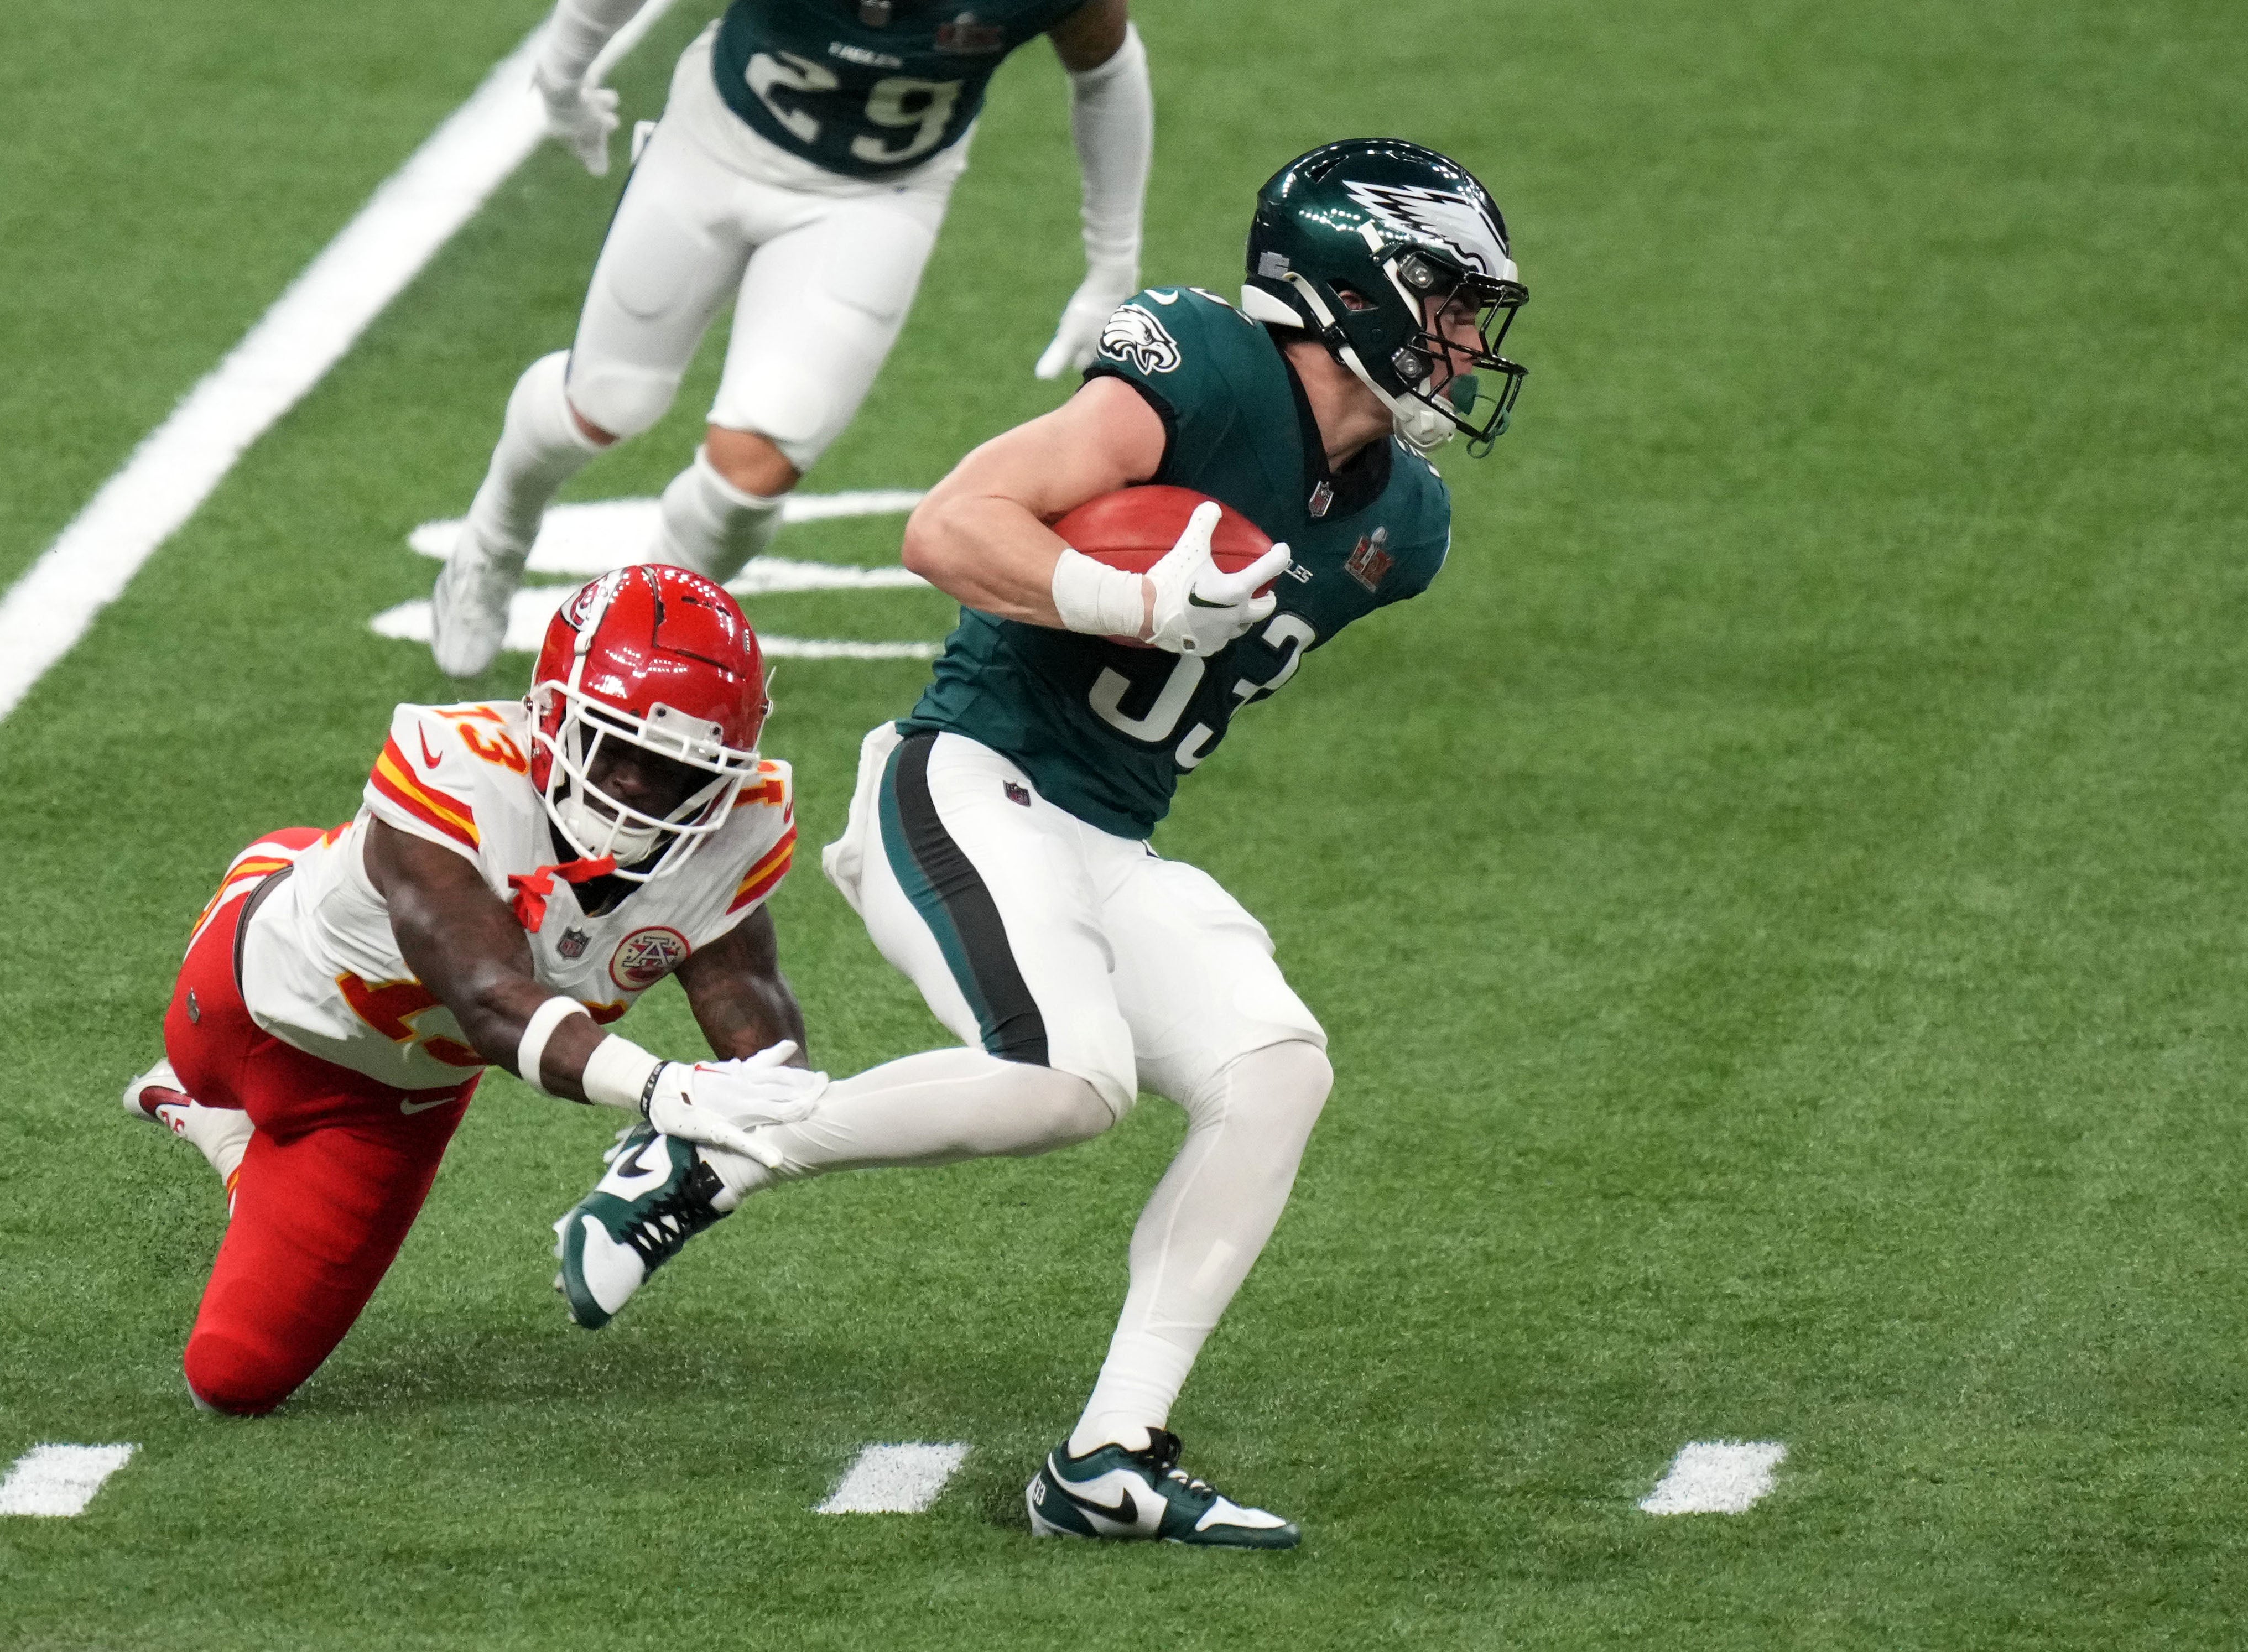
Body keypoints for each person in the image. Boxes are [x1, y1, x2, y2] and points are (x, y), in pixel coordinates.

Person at [545, 139, 1530, 1545]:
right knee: (1071, 1079)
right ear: (1352, 291)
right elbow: (945, 527)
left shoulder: (1404, 526)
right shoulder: (1203, 370)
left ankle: (1108, 1458)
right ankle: (713, 1146)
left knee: (1275, 1070)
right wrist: (1125, 601)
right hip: (964, 776)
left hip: (1107, 834)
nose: (1468, 343)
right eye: (1448, 302)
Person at [125, 565, 825, 1414]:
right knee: (210, 1059)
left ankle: (232, 1144)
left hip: (396, 1102)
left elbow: (749, 1007)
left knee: (233, 1378)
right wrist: (658, 1088)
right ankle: (282, 871)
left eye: (677, 767)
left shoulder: (735, 826)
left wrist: (767, 1102)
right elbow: (491, 1000)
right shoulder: (458, 770)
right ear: (551, 713)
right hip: (256, 1008)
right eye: (615, 746)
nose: (639, 787)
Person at [429, 0, 1154, 677]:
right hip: (711, 147)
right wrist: (562, 75)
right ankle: (494, 539)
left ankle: (635, 641)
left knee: (752, 476)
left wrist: (1111, 263)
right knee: (604, 402)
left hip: (876, 197)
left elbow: (1104, 69)